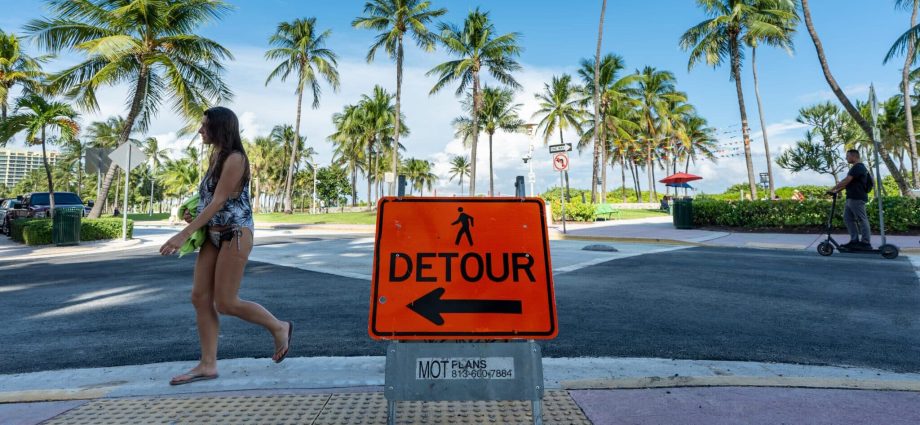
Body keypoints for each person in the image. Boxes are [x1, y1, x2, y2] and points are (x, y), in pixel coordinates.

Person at [159, 107, 292, 385]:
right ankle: (207, 365)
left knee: (226, 303)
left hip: (235, 234)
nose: (200, 130)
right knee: (199, 297)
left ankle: (279, 327)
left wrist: (183, 234)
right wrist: (194, 215)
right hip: (213, 235)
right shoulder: (215, 157)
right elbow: (211, 201)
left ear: (220, 128)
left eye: (205, 125)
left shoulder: (235, 158)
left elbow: (220, 201)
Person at [826, 149, 872, 249]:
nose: (846, 158)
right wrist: (835, 191)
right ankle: (854, 241)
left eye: (848, 156)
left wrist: (832, 189)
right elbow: (848, 183)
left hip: (857, 197)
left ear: (854, 156)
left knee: (862, 219)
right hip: (851, 197)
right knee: (848, 218)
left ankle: (865, 243)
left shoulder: (858, 167)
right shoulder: (855, 168)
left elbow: (846, 181)